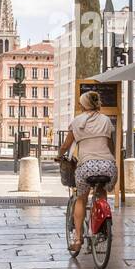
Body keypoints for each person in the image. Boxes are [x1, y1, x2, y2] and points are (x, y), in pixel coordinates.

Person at [55, 91, 116, 253]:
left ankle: (78, 239)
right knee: (101, 192)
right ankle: (102, 227)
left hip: (87, 166)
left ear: (82, 105)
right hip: (108, 166)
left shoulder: (77, 121)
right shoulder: (106, 120)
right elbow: (110, 145)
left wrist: (59, 156)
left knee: (81, 199)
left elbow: (65, 146)